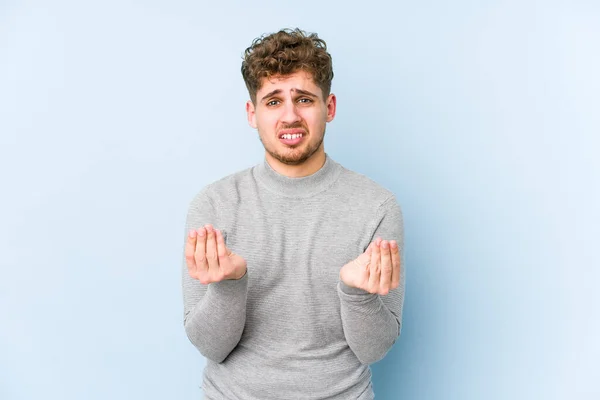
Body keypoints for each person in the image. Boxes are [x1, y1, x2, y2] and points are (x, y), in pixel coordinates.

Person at [182, 28, 405, 400]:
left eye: (304, 99)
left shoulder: (377, 207)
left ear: (328, 108)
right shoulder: (213, 205)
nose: (290, 116)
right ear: (252, 113)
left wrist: (356, 293)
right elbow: (211, 347)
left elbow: (374, 350)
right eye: (273, 102)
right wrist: (229, 285)